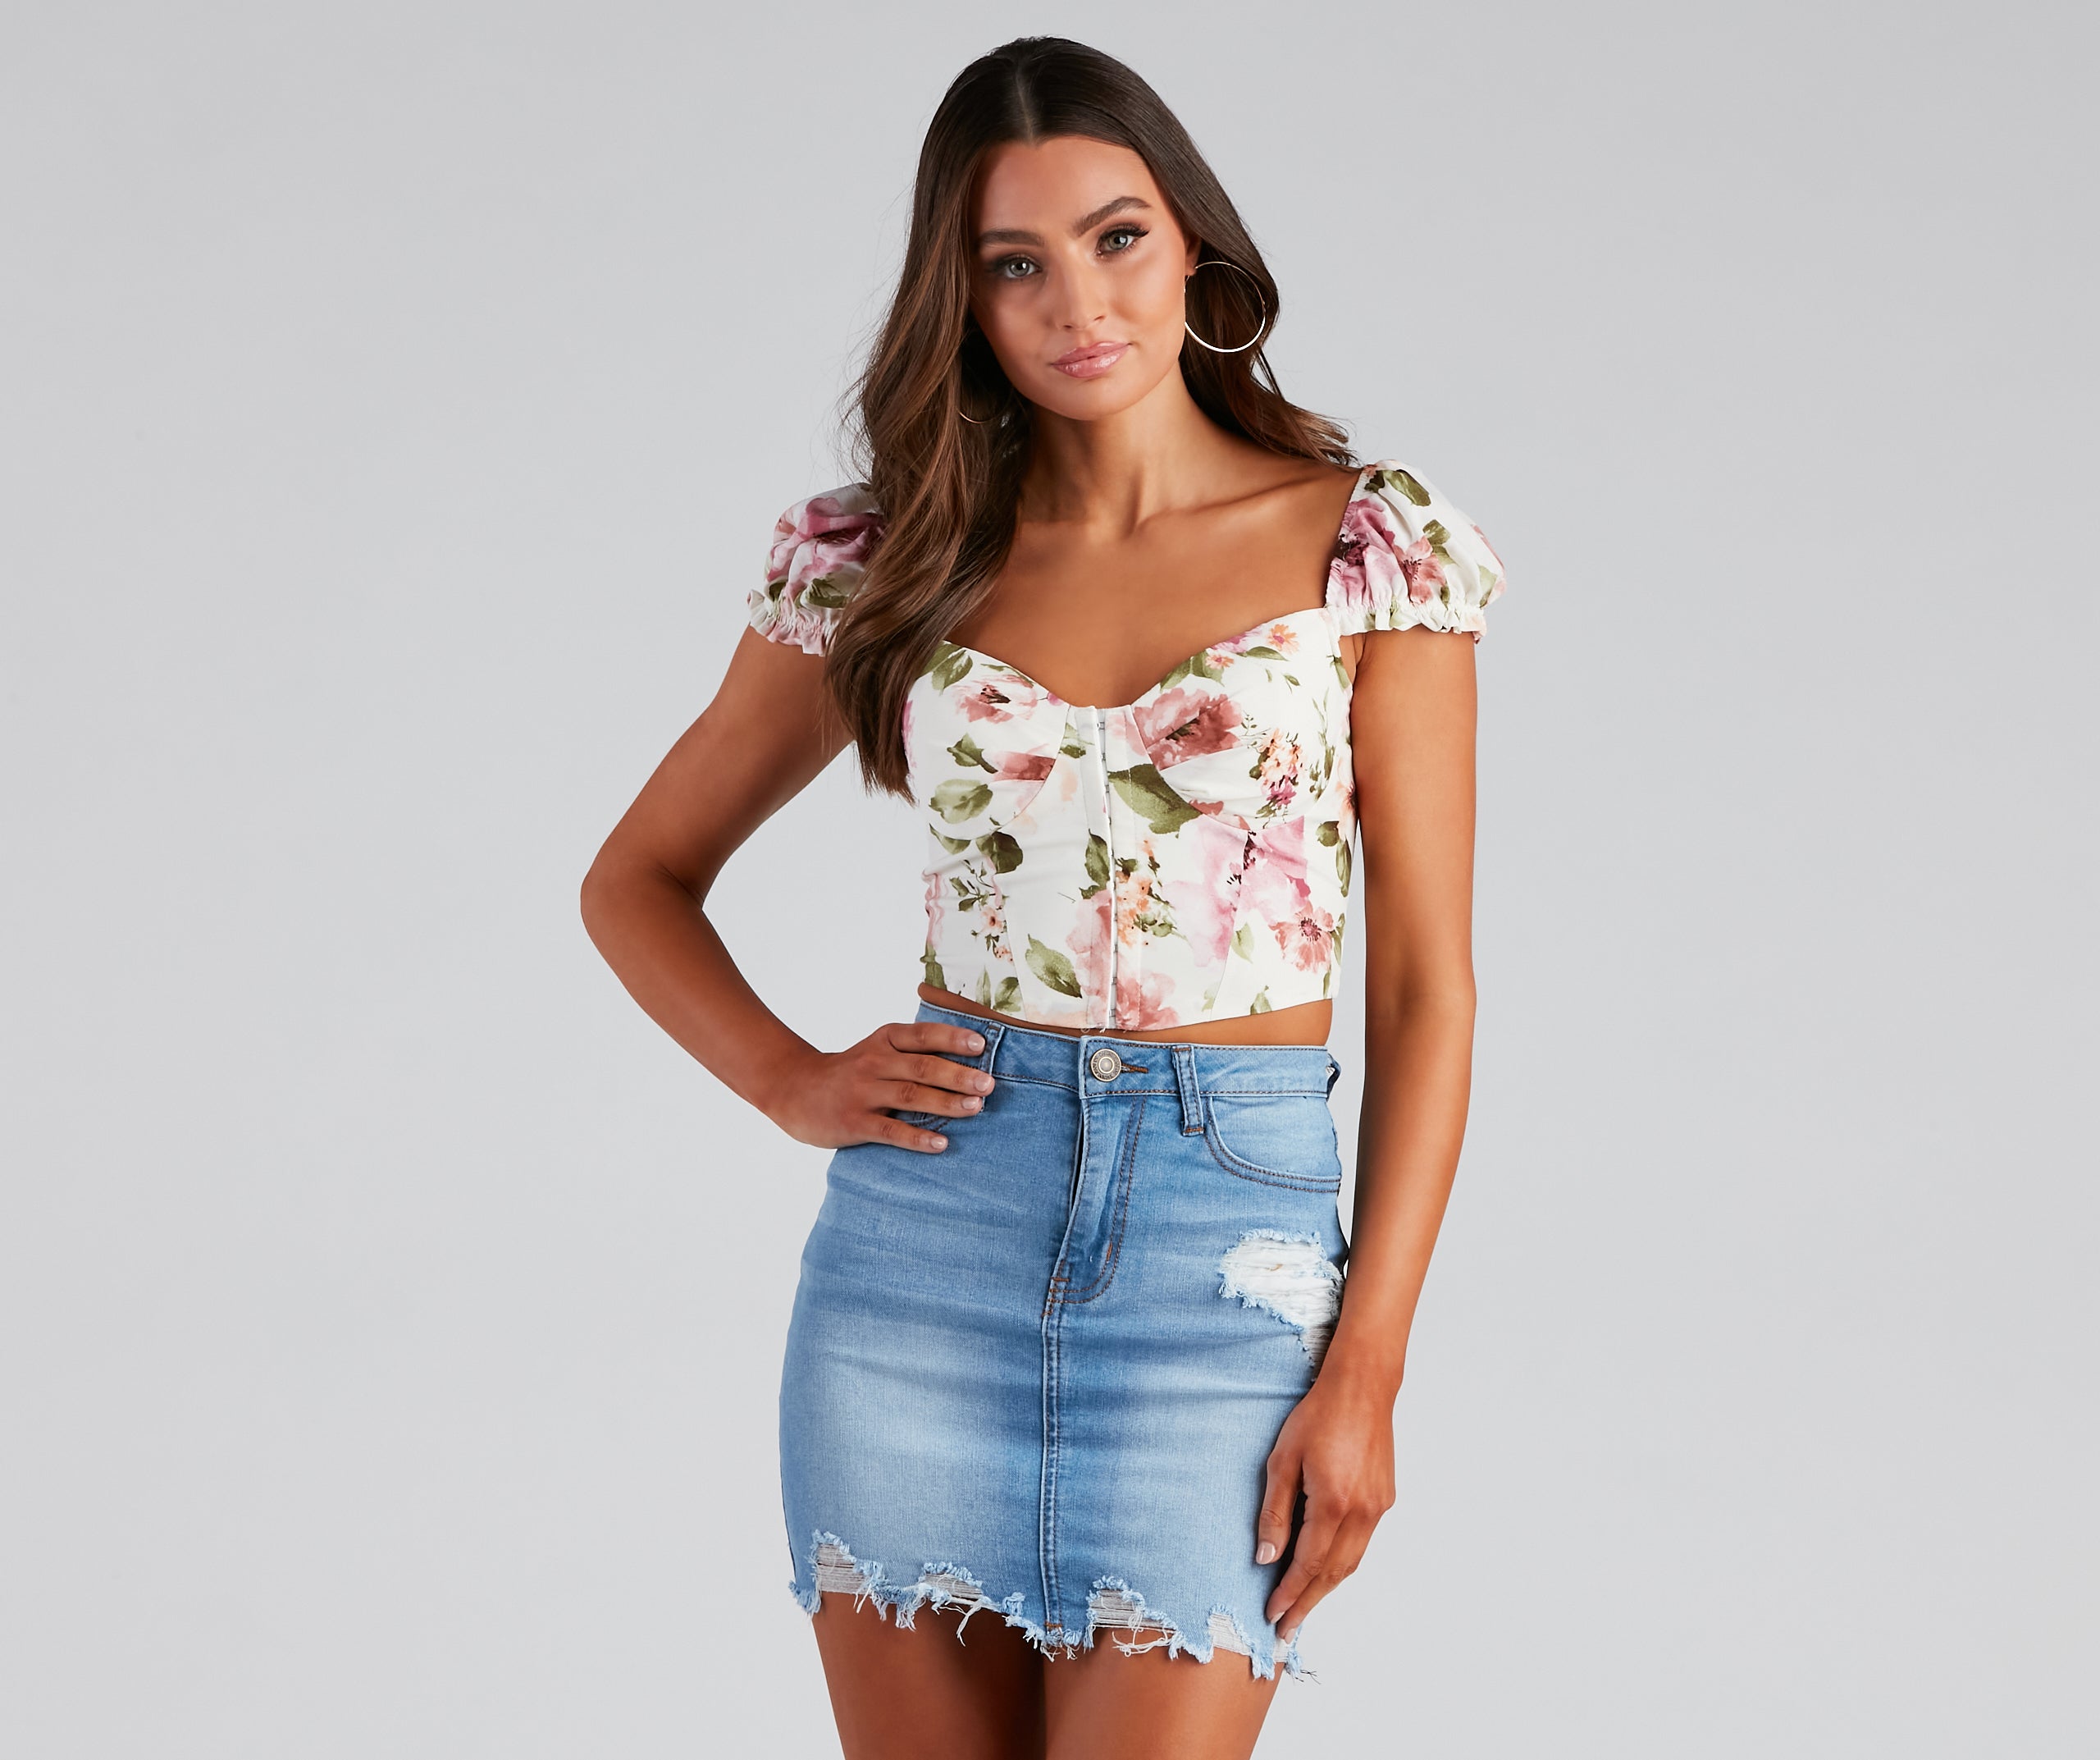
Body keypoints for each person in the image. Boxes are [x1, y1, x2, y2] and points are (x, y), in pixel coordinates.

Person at [581, 34, 1504, 1760]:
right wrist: (790, 1080)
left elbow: (1424, 988)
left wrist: (1366, 1361)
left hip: (1224, 1257)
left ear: (1192, 246)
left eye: (1115, 237)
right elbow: (636, 877)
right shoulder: (890, 557)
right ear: (965, 300)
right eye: (1014, 264)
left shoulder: (1364, 546)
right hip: (922, 1256)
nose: (1078, 302)